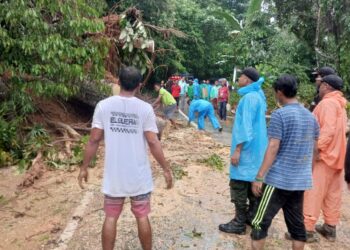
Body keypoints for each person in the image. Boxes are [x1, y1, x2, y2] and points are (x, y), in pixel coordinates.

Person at [77, 67, 173, 250]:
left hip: (115, 176)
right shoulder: (145, 109)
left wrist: (84, 167)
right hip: (138, 176)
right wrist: (166, 169)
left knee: (111, 216)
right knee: (142, 216)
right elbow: (153, 142)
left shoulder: (103, 106)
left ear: (118, 82)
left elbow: (94, 139)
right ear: (139, 86)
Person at [250, 75, 319, 250]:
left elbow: (273, 146)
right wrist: (307, 174)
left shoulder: (279, 115)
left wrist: (259, 177)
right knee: (297, 227)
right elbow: (314, 150)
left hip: (278, 180)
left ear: (280, 92)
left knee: (259, 223)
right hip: (300, 181)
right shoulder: (311, 117)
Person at [219, 68, 268, 235]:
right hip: (257, 150)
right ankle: (251, 217)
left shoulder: (248, 98)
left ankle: (239, 222)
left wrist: (238, 150)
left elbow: (245, 127)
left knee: (239, 185)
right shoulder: (260, 96)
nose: (238, 79)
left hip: (246, 150)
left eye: (241, 76)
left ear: (247, 80)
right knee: (251, 184)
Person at [303, 74, 347, 242]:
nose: (318, 87)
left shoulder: (328, 103)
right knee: (332, 195)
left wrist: (316, 150)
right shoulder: (340, 105)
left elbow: (327, 131)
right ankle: (330, 227)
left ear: (327, 86)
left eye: (320, 84)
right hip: (337, 158)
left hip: (324, 157)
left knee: (313, 193)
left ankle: (306, 230)